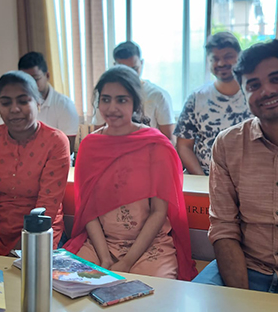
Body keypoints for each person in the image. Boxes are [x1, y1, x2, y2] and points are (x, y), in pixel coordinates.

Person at [64, 65, 197, 280]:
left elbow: (159, 212)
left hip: (149, 245)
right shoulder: (90, 146)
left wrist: (127, 262)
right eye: (105, 99)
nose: (112, 107)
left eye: (121, 100)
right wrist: (105, 259)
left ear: (135, 103)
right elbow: (89, 211)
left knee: (154, 293)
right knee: (70, 285)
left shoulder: (156, 145)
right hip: (101, 244)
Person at [193, 39, 278, 296]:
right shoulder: (228, 144)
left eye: (276, 79)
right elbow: (223, 227)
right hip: (246, 268)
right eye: (254, 85)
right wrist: (242, 300)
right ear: (244, 94)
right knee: (195, 309)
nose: (266, 91)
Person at [0, 71, 70, 255]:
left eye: (23, 101)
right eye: (6, 103)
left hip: (41, 232)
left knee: (27, 272)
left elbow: (46, 208)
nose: (14, 109)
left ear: (38, 103)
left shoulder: (56, 141)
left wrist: (14, 257)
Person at [175, 32, 251, 175]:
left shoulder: (254, 95)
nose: (221, 63)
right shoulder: (196, 98)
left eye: (228, 57)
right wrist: (202, 179)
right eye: (215, 59)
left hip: (248, 179)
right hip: (205, 177)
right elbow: (184, 145)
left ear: (240, 56)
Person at [93, 41, 176, 143]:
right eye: (124, 70)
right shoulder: (105, 94)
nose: (129, 75)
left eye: (134, 69)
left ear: (142, 63)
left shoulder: (157, 95)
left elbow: (169, 140)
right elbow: (98, 137)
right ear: (115, 66)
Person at [18, 52, 79, 153]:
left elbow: (68, 148)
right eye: (25, 80)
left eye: (35, 79)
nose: (30, 85)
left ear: (47, 75)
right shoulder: (13, 106)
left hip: (54, 160)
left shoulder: (64, 105)